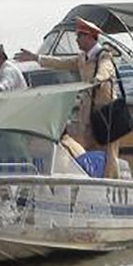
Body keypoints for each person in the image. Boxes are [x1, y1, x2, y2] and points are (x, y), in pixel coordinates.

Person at [17, 17, 122, 179]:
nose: (77, 40)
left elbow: (106, 71)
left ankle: (113, 184)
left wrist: (96, 80)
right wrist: (36, 58)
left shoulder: (104, 55)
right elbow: (61, 63)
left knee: (109, 153)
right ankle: (94, 184)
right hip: (89, 115)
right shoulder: (82, 58)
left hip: (106, 114)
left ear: (89, 37)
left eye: (80, 36)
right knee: (91, 149)